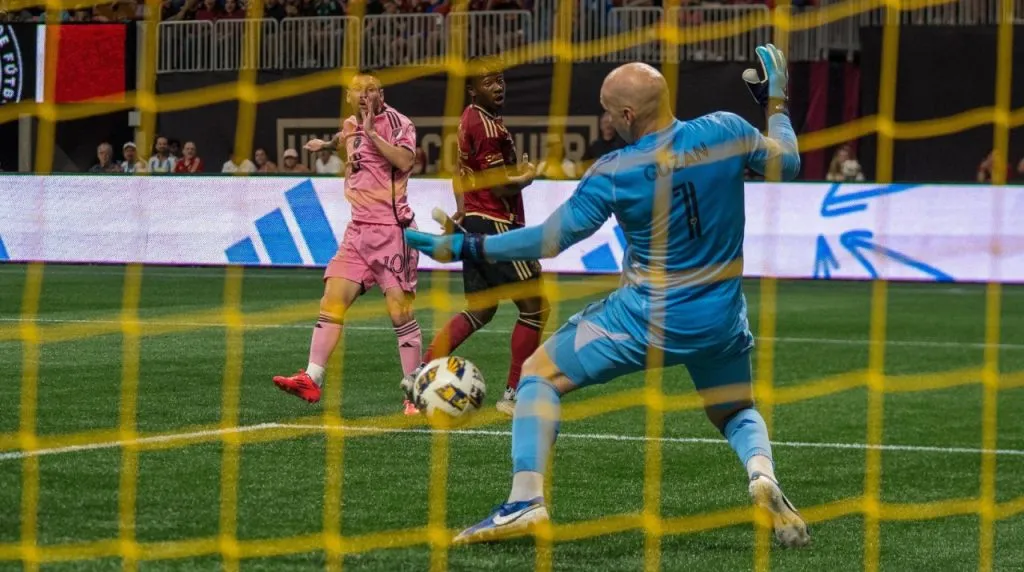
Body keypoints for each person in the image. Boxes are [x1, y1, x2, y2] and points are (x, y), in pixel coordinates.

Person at [404, 45, 810, 548]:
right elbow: (788, 163)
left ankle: (524, 501)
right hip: (721, 319)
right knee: (735, 410)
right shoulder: (727, 129)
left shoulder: (616, 170)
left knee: (538, 375)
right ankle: (761, 473)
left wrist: (468, 245)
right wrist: (774, 100)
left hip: (646, 318)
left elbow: (550, 239)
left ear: (625, 114)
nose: (604, 119)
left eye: (606, 110)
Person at [272, 73, 423, 415]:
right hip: (357, 231)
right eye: (359, 91)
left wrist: (371, 133)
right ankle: (312, 378)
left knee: (400, 312)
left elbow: (404, 161)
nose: (366, 96)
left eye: (372, 90)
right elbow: (346, 136)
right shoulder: (352, 123)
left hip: (392, 231)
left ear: (381, 93)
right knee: (332, 299)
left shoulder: (400, 123)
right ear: (349, 97)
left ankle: (413, 395)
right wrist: (325, 145)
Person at [409, 57, 547, 416]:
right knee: (536, 308)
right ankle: (513, 395)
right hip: (498, 227)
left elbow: (460, 173)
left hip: (476, 222)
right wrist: (528, 176)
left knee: (481, 310)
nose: (498, 87)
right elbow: (500, 187)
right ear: (473, 89)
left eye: (500, 80)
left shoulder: (470, 118)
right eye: (489, 82)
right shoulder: (487, 127)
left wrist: (463, 208)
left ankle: (419, 373)